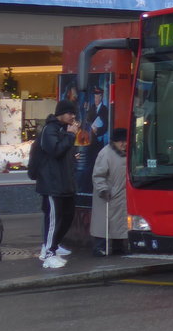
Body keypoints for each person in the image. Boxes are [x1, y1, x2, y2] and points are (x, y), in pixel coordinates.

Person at [35, 100, 80, 269]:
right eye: (70, 113)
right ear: (60, 113)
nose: (73, 116)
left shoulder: (62, 130)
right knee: (53, 218)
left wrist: (73, 156)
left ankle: (53, 245)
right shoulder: (50, 130)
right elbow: (55, 151)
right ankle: (48, 253)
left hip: (64, 182)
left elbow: (64, 152)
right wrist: (70, 136)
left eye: (73, 113)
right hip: (52, 184)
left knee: (67, 215)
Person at [90, 127, 128, 256]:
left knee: (119, 223)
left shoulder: (129, 153)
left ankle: (118, 247)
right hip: (108, 196)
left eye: (125, 141)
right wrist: (103, 189)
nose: (123, 144)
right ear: (114, 142)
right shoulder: (105, 153)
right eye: (120, 141)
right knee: (103, 223)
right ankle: (99, 248)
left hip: (121, 195)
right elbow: (98, 175)